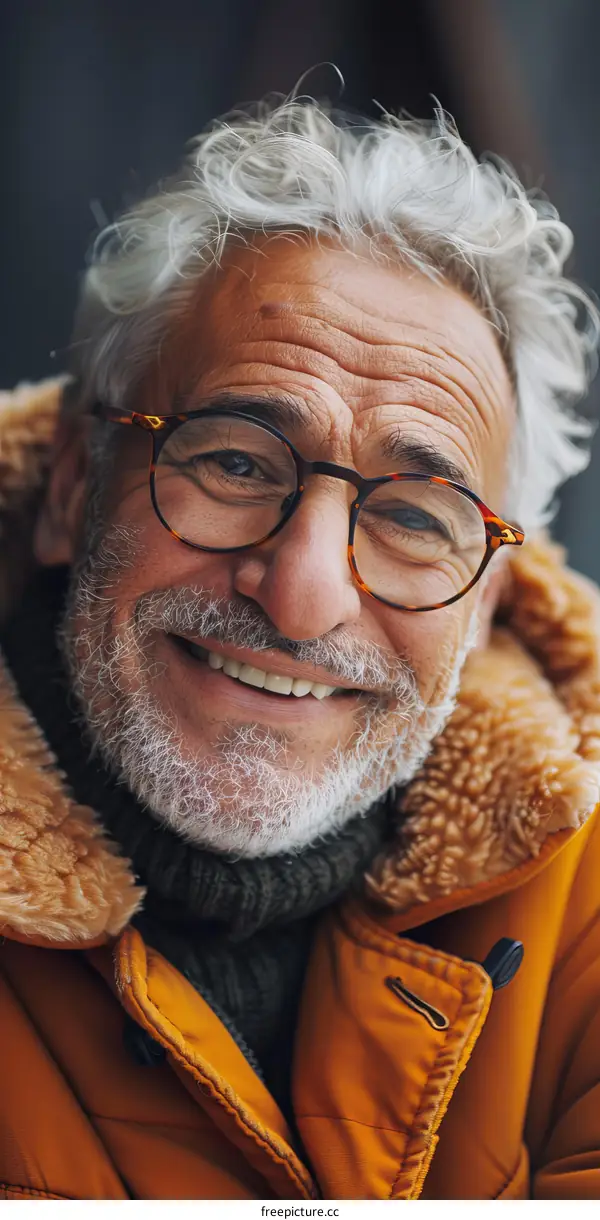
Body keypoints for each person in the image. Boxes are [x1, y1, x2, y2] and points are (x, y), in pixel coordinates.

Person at [0, 96, 599, 1202]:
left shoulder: (583, 895)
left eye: (419, 517)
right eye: (235, 462)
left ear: (489, 603)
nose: (304, 594)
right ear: (76, 489)